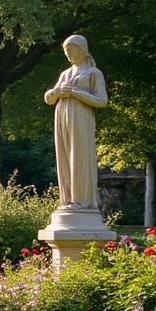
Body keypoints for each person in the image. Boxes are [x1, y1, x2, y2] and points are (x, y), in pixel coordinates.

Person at [43, 35, 108, 210]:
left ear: (82, 49)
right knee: (64, 157)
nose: (69, 54)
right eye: (66, 51)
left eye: (72, 49)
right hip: (61, 116)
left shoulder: (94, 73)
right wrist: (56, 92)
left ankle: (81, 200)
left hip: (81, 118)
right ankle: (68, 198)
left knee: (79, 155)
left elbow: (102, 100)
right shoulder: (65, 73)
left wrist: (75, 93)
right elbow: (48, 99)